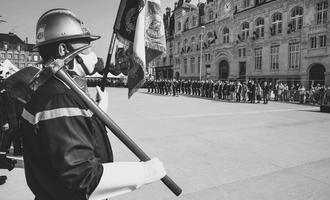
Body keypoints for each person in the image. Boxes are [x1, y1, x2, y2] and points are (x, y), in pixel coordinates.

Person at [19, 9, 166, 200]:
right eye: (86, 46)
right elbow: (82, 177)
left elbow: (75, 143)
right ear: (63, 50)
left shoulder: (57, 91)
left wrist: (96, 116)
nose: (92, 53)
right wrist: (142, 172)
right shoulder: (58, 98)